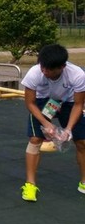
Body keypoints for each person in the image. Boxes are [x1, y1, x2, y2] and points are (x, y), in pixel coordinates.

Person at [20, 43, 85, 202]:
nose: (44, 71)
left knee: (82, 141)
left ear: (62, 67)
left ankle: (84, 182)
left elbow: (78, 104)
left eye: (48, 69)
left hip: (68, 101)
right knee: (35, 140)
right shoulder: (35, 73)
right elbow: (30, 103)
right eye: (42, 67)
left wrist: (68, 129)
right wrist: (47, 124)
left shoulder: (77, 74)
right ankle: (30, 184)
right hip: (43, 101)